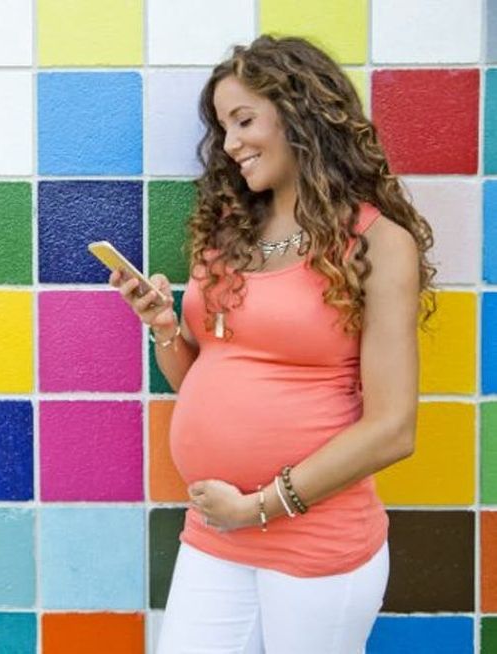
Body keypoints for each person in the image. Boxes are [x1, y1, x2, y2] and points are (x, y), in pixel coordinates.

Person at [110, 35, 437, 653]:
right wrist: (166, 329)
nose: (229, 144)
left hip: (316, 543)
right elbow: (206, 379)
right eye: (222, 127)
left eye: (244, 120)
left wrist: (260, 505)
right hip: (215, 530)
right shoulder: (230, 234)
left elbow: (394, 428)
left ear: (302, 114)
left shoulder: (375, 243)